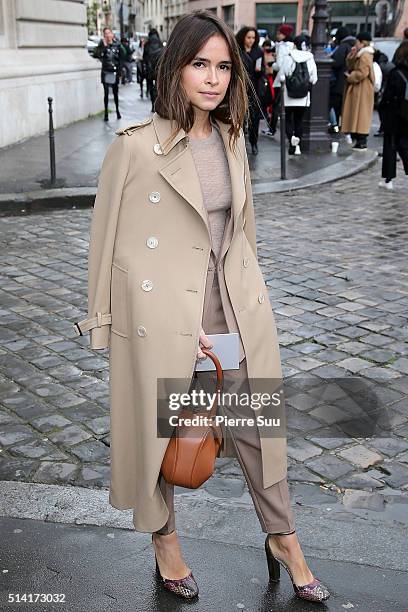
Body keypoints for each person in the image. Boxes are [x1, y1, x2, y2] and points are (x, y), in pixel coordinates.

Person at [74, 8, 331, 604]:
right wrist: (106, 323)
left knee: (258, 434)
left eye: (222, 67)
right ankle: (165, 543)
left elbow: (242, 232)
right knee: (163, 440)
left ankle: (284, 539)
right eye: (199, 64)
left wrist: (251, 293)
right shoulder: (135, 149)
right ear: (176, 69)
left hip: (232, 313)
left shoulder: (233, 139)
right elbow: (106, 242)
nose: (212, 78)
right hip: (166, 320)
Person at [378, 40, 408, 189]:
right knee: (404, 145)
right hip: (406, 115)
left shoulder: (396, 74)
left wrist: (382, 109)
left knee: (391, 146)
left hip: (395, 115)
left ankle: (388, 179)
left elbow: (388, 96)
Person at [281, 35, 318, 155]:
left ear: (294, 44)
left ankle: (291, 139)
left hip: (289, 95)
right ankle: (297, 147)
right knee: (299, 120)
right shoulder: (310, 58)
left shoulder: (289, 56)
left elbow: (284, 73)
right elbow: (314, 79)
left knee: (288, 119)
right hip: (303, 97)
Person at [340, 31, 375, 150]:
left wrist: (350, 76)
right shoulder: (361, 54)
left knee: (360, 114)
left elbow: (362, 72)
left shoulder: (365, 55)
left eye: (357, 41)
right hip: (359, 87)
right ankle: (359, 138)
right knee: (357, 113)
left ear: (361, 42)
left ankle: (361, 139)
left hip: (361, 88)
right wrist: (352, 55)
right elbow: (351, 65)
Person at [236, 26, 264, 155]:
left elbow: (262, 70)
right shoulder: (237, 50)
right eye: (249, 37)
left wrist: (260, 71)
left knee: (254, 118)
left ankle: (254, 143)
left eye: (253, 37)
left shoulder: (258, 51)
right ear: (243, 37)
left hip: (254, 89)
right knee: (239, 117)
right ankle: (239, 143)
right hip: (239, 89)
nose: (251, 40)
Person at [94, 27, 126, 122]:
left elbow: (123, 56)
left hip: (115, 72)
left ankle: (117, 111)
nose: (107, 35)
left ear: (112, 34)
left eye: (109, 33)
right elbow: (96, 54)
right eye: (105, 34)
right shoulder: (102, 44)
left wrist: (120, 72)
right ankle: (106, 114)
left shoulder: (118, 44)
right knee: (106, 93)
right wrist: (103, 46)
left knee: (116, 92)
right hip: (105, 72)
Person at [329, 27, 356, 132]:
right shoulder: (352, 45)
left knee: (333, 104)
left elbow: (337, 62)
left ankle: (335, 125)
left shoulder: (343, 46)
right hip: (346, 79)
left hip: (339, 80)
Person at [271, 24, 295, 136]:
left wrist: (272, 64)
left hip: (280, 79)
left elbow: (279, 65)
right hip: (291, 79)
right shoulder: (293, 45)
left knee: (276, 105)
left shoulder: (281, 47)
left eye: (279, 33)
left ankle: (272, 128)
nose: (277, 35)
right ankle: (289, 130)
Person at [143, 28, 164, 112]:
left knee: (151, 86)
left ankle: (153, 105)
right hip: (159, 69)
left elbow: (144, 57)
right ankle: (159, 104)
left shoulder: (147, 44)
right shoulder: (160, 43)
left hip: (150, 68)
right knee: (159, 86)